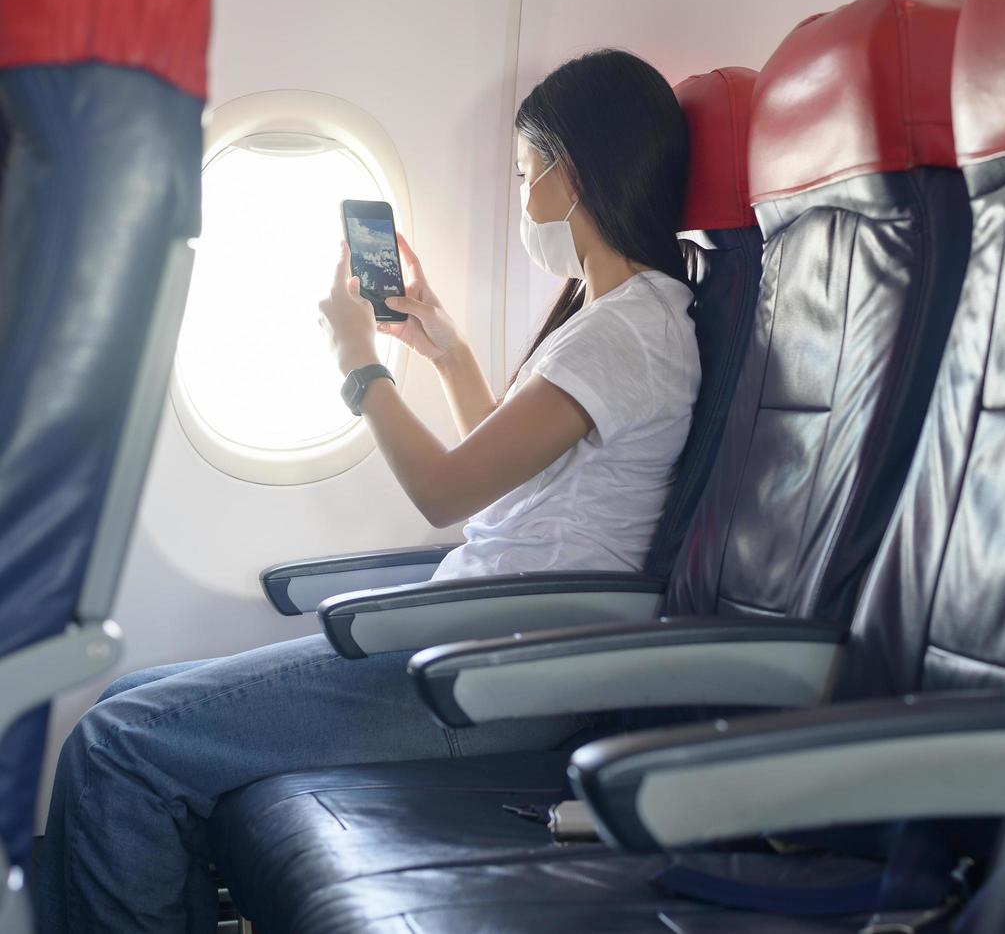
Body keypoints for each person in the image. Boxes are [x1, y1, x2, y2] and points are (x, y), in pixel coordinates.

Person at [35, 48, 699, 933]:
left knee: (116, 750)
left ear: (569, 176)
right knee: (127, 703)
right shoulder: (613, 319)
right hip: (475, 644)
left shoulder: (630, 332)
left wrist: (357, 362)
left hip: (493, 673)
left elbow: (440, 490)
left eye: (522, 172)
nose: (520, 197)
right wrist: (442, 345)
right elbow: (504, 477)